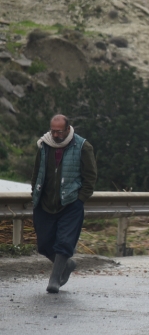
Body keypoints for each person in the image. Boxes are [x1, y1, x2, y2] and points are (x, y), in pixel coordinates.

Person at [31, 114, 97, 294]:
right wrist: (34, 193)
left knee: (64, 242)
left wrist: (80, 199)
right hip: (44, 202)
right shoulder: (43, 145)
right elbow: (37, 172)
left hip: (70, 203)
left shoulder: (83, 146)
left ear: (68, 129)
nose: (55, 135)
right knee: (44, 245)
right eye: (53, 131)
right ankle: (66, 265)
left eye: (59, 131)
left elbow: (90, 177)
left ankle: (54, 279)